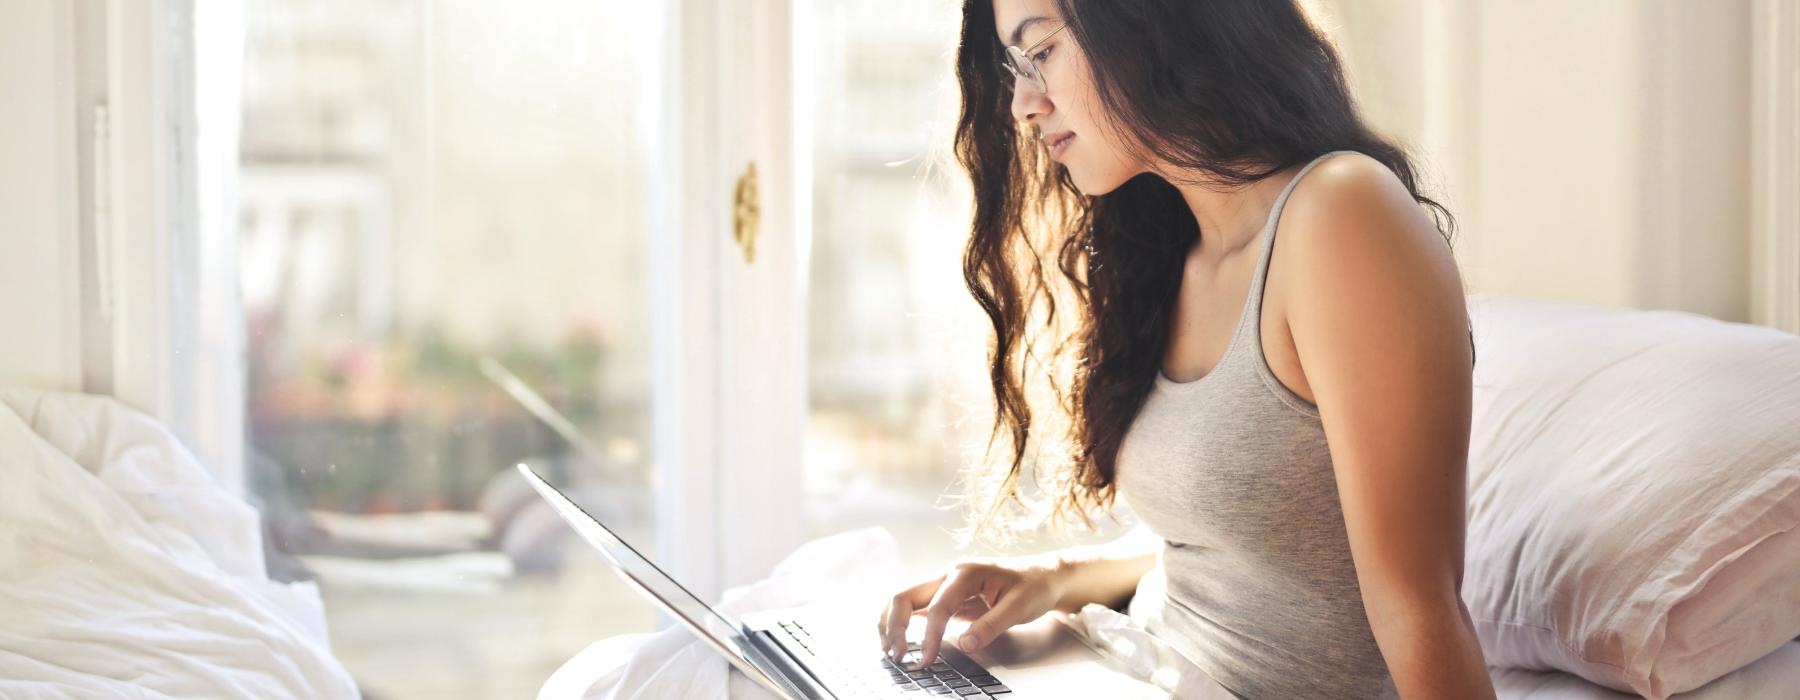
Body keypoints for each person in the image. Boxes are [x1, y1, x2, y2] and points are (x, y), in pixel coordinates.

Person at [875, 1, 1494, 697]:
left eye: (1039, 52)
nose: (1022, 104)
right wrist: (1053, 579)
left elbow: (1419, 610)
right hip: (1130, 662)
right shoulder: (1178, 251)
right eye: (1013, 68)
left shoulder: (1341, 214)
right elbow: (1242, 557)